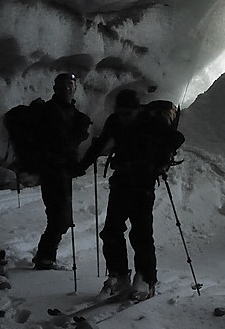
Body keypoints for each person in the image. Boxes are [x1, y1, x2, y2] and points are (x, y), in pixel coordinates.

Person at [77, 89, 181, 301]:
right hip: (122, 179)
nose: (123, 117)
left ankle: (146, 279)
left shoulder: (152, 121)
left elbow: (177, 138)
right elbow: (100, 143)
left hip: (143, 182)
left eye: (128, 113)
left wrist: (157, 161)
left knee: (141, 232)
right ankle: (119, 275)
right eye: (121, 112)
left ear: (137, 109)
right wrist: (80, 166)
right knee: (111, 230)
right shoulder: (115, 120)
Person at [25, 73, 91, 270]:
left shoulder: (66, 111)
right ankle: (45, 257)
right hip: (54, 170)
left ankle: (46, 256)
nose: (68, 89)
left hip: (60, 170)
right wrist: (80, 132)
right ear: (55, 89)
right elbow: (61, 143)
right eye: (64, 86)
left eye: (71, 85)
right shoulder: (52, 111)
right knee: (59, 216)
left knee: (59, 215)